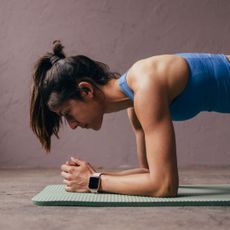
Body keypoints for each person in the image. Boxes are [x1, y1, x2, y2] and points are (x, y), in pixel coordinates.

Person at [30, 40, 230, 197]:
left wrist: (94, 181)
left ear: (86, 90)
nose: (72, 125)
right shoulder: (134, 105)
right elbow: (148, 173)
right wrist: (93, 176)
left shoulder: (145, 85)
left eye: (67, 114)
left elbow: (164, 185)